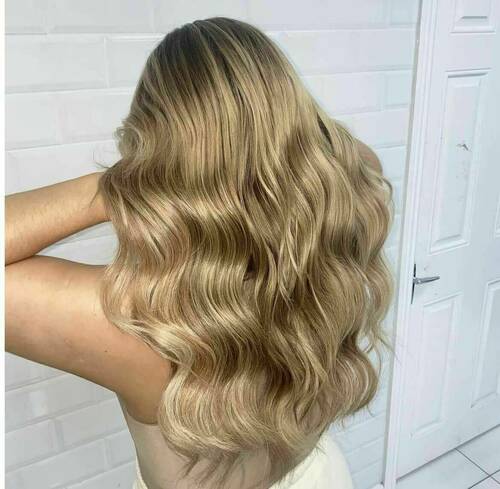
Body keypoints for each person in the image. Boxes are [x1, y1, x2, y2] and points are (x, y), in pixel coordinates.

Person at [5, 17, 394, 489]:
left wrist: (119, 185)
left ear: (146, 142)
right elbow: (361, 157)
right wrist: (281, 146)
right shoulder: (334, 244)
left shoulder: (136, 323)